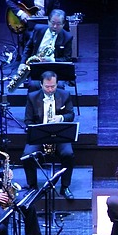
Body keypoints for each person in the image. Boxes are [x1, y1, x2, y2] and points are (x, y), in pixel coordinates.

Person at [22, 70, 77, 200]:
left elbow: (71, 115)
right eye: (47, 86)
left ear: (57, 84)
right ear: (41, 84)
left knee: (68, 154)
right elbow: (28, 121)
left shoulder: (65, 95)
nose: (50, 89)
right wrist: (37, 130)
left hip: (59, 134)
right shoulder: (32, 97)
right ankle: (33, 186)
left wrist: (61, 118)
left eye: (53, 86)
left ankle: (65, 187)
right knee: (26, 156)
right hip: (40, 135)